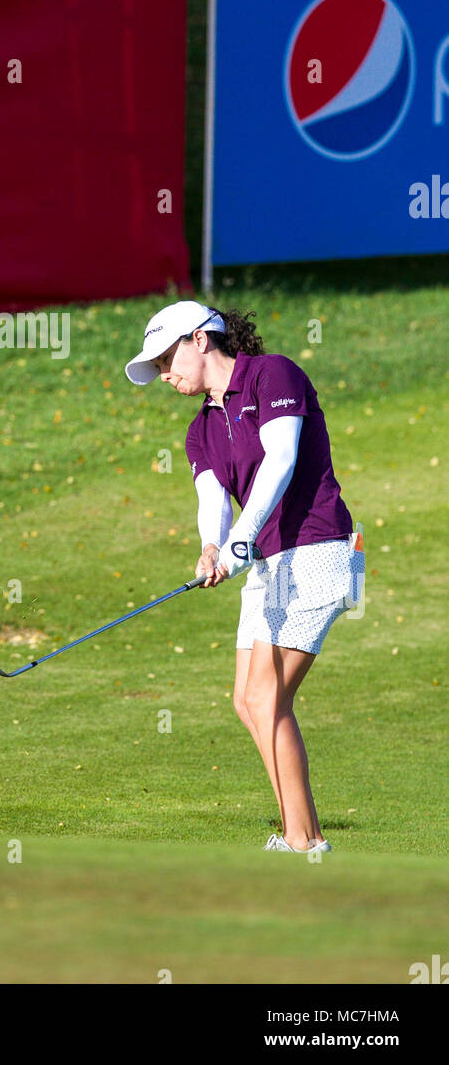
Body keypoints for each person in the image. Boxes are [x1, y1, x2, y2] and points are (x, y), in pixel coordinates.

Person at [125, 300, 364, 854]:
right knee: (247, 698)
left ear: (200, 340)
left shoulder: (272, 374)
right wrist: (213, 545)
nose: (164, 373)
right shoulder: (199, 431)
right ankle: (299, 835)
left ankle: (305, 843)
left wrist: (241, 540)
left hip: (321, 549)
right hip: (271, 564)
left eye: (167, 358)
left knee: (266, 696)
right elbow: (214, 502)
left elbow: (281, 458)